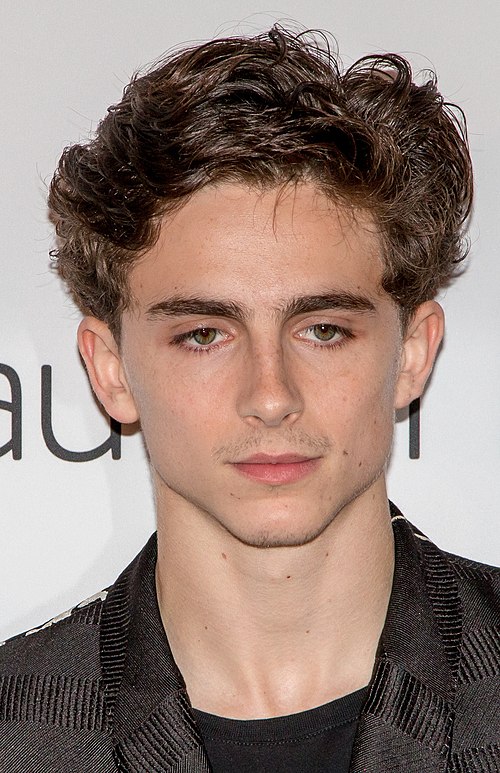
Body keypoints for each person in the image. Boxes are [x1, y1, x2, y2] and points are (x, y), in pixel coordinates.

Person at [1, 26, 498, 773]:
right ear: (110, 369)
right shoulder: (17, 734)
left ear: (413, 354)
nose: (270, 396)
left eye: (323, 329)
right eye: (204, 334)